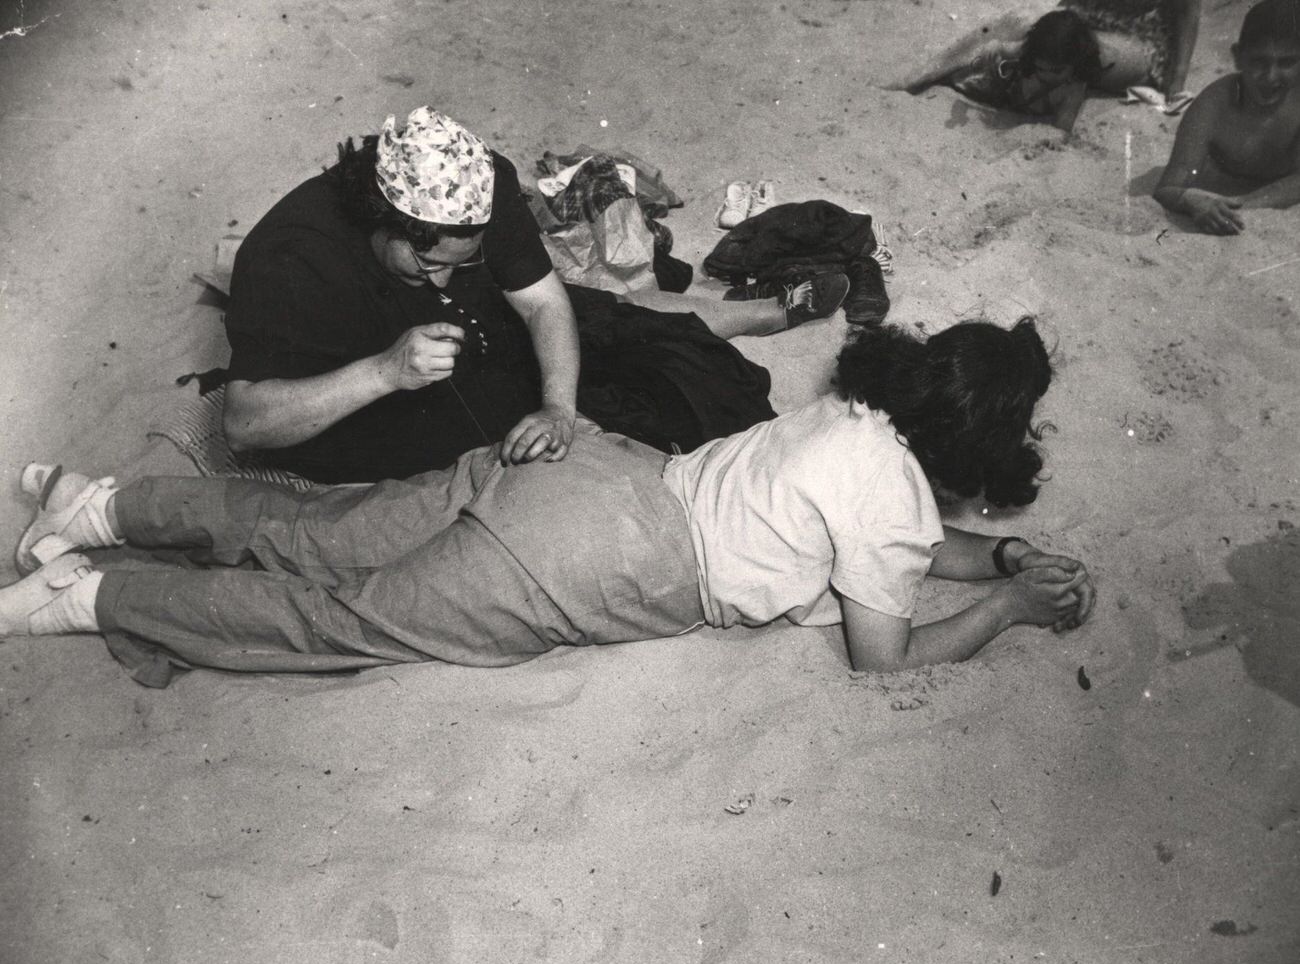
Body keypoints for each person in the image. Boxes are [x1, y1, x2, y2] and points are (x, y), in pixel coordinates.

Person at [2, 317, 1094, 688]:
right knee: (331, 619)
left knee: (321, 528)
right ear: (979, 443)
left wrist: (991, 560)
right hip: (595, 564)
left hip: (585, 469)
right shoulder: (893, 504)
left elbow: (892, 542)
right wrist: (1006, 610)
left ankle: (103, 509)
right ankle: (92, 600)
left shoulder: (854, 416)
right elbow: (881, 658)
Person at [221, 106, 846, 484]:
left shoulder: (484, 185)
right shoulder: (290, 257)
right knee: (633, 429)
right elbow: (246, 424)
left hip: (485, 336)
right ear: (380, 222)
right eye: (427, 263)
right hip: (386, 402)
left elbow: (544, 302)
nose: (443, 280)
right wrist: (383, 373)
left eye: (461, 263)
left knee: (614, 324)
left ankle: (756, 313)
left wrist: (557, 406)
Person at [891, 0, 1202, 130]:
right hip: (1083, 11)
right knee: (1015, 19)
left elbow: (1188, 11)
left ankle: (1008, 59)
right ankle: (926, 72)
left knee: (1093, 53)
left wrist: (1177, 80)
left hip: (1139, 33)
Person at [1153, 0, 1300, 235]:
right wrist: (1193, 201)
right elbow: (1168, 187)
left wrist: (1241, 204)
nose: (1271, 77)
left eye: (1286, 63)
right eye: (1258, 62)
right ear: (1238, 57)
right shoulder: (1214, 105)